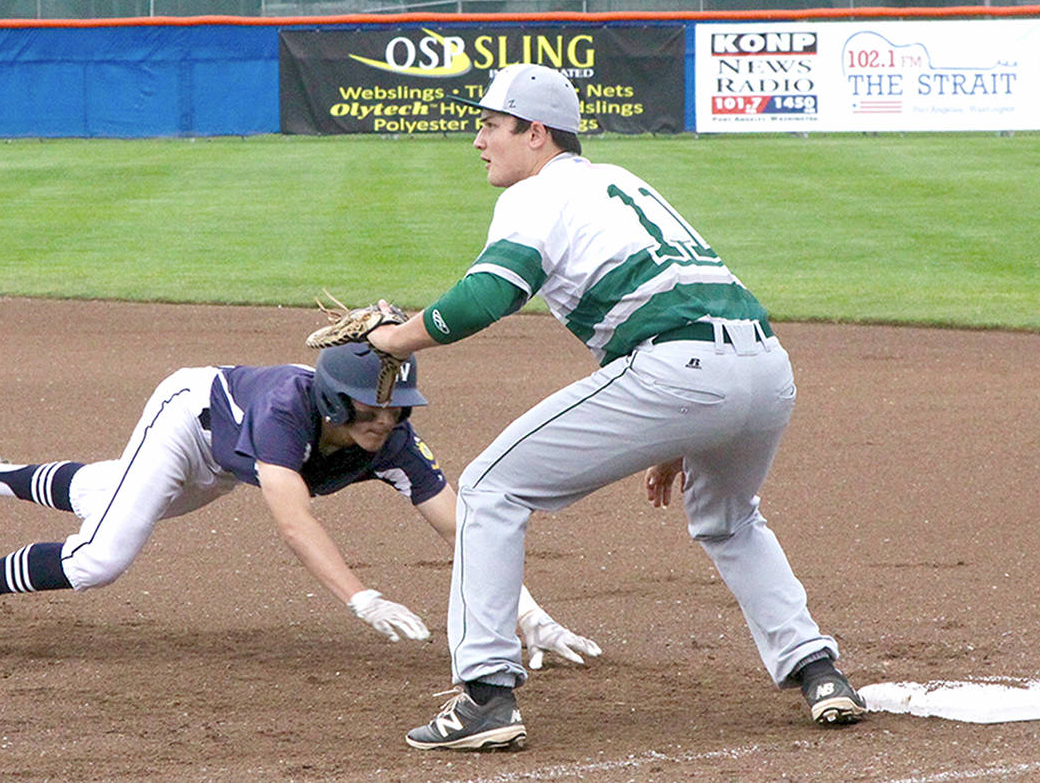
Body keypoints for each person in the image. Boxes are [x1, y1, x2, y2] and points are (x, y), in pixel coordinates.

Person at [361, 64, 865, 752]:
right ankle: (820, 672)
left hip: (681, 370)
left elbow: (481, 302)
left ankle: (484, 695)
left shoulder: (540, 192)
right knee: (729, 520)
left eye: (490, 124)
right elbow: (682, 299)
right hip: (766, 368)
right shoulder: (623, 182)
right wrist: (673, 440)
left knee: (488, 487)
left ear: (535, 133)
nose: (479, 140)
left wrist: (392, 338)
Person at [0, 344, 600, 670]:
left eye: (397, 408)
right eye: (372, 410)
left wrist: (523, 611)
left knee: (108, 496)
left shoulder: (392, 442)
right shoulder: (287, 415)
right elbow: (294, 521)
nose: (388, 421)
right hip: (187, 419)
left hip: (227, 457)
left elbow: (464, 527)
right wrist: (362, 599)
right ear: (329, 402)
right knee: (100, 555)